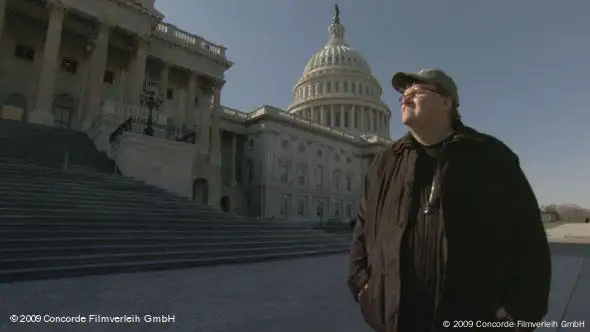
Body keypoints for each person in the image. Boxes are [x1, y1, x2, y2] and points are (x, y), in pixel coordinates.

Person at [347, 69, 551, 332]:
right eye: (403, 97)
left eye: (417, 93)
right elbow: (362, 231)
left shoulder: (491, 157)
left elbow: (530, 239)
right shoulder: (383, 164)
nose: (406, 100)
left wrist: (520, 313)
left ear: (447, 102)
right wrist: (364, 287)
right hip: (399, 321)